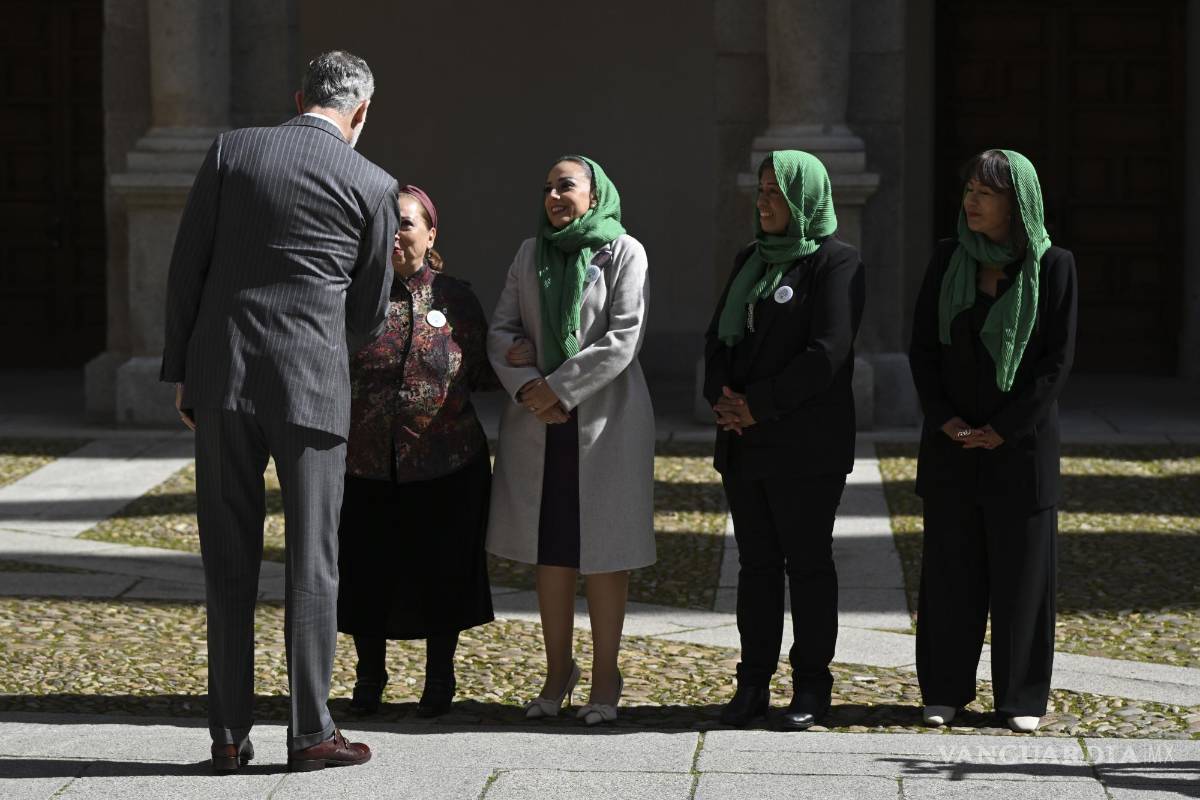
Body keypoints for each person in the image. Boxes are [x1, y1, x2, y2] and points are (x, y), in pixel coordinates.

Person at [160, 51, 396, 772]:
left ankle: (228, 736)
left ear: (299, 97)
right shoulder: (374, 182)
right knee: (313, 564)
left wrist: (184, 374)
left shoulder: (233, 150)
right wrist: (322, 345)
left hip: (224, 376)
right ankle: (310, 732)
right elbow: (370, 307)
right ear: (360, 113)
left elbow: (187, 266)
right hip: (312, 387)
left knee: (227, 560)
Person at [908, 149, 1077, 734]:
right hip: (952, 445)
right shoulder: (947, 259)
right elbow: (923, 351)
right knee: (951, 573)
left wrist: (1005, 428)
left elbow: (1055, 365)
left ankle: (1021, 698)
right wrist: (947, 420)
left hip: (1021, 450)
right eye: (969, 189)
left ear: (1017, 203)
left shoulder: (1054, 266)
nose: (971, 201)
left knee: (1023, 579)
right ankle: (944, 691)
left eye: (986, 192)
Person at [487, 155, 654, 726]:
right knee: (551, 551)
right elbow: (502, 331)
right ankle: (559, 670)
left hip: (603, 422)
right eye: (547, 189)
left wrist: (556, 386)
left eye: (566, 185)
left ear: (594, 192)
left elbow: (623, 337)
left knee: (604, 554)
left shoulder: (624, 251)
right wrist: (528, 385)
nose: (554, 197)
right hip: (541, 424)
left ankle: (606, 675)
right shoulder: (530, 253)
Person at [703, 150, 865, 731]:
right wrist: (722, 397)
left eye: (777, 192)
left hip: (805, 444)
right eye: (762, 190)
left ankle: (812, 686)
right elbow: (717, 340)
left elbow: (828, 353)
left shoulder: (836, 263)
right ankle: (752, 684)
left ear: (805, 199)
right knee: (757, 566)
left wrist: (757, 405)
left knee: (809, 565)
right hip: (744, 443)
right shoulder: (751, 258)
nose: (765, 201)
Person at [337, 185, 496, 718]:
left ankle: (439, 678)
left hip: (447, 463)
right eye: (387, 224)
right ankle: (369, 678)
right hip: (364, 463)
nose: (396, 235)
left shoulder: (457, 298)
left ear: (431, 234)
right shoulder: (353, 295)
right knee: (366, 574)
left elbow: (481, 371)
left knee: (443, 572)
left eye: (406, 223)